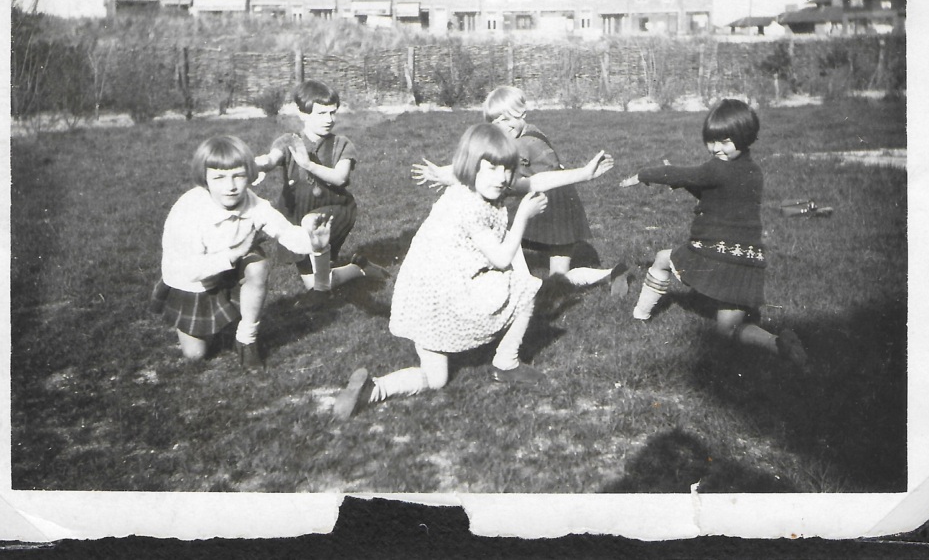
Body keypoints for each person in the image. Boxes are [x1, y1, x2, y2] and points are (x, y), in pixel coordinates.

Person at [334, 124, 603, 420]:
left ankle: (373, 390)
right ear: (472, 166)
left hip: (422, 298)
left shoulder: (476, 185)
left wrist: (584, 174)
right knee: (525, 287)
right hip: (448, 296)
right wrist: (522, 217)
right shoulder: (470, 207)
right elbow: (502, 260)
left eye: (507, 169)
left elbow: (536, 179)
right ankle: (506, 363)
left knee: (436, 379)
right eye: (492, 168)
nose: (502, 178)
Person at [620, 99, 807, 367]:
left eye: (725, 141)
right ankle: (778, 345)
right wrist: (684, 182)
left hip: (710, 251)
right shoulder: (753, 170)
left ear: (744, 137)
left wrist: (644, 174)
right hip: (745, 260)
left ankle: (639, 316)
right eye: (711, 140)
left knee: (662, 260)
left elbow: (684, 175)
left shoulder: (716, 167)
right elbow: (716, 194)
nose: (716, 148)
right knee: (728, 331)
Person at [151, 135, 331, 368]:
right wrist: (234, 253)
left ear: (250, 175)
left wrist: (314, 244)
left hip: (235, 268)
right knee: (195, 355)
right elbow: (188, 271)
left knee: (258, 265)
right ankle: (216, 320)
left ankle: (247, 339)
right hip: (194, 282)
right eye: (219, 177)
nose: (231, 186)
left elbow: (286, 232)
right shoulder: (189, 211)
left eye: (238, 175)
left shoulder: (254, 204)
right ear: (204, 179)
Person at [413, 86, 618, 286]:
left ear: (522, 114)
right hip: (561, 198)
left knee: (509, 239)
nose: (501, 126)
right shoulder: (530, 131)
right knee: (557, 277)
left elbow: (487, 168)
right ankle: (608, 275)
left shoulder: (522, 145)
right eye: (495, 122)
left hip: (550, 204)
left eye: (506, 119)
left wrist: (448, 174)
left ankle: (520, 283)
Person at [255, 79, 387, 308]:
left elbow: (340, 177)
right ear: (303, 113)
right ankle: (358, 268)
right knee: (315, 283)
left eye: (332, 113)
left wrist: (308, 165)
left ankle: (326, 284)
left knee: (311, 225)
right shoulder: (289, 141)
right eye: (321, 113)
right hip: (295, 214)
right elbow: (272, 159)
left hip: (335, 209)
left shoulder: (342, 144)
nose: (329, 119)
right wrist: (258, 163)